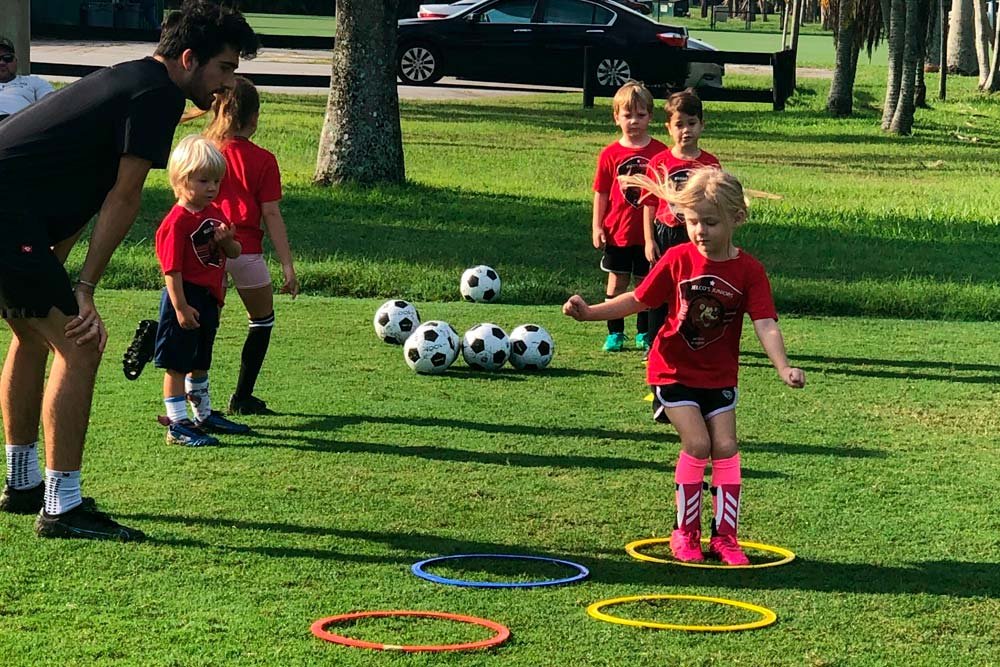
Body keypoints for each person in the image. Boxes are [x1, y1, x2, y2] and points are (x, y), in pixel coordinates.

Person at [0, 0, 258, 541]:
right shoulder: (156, 95)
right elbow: (124, 196)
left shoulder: (133, 80)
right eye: (225, 68)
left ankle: (22, 483)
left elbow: (65, 184)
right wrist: (85, 288)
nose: (227, 85)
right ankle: (62, 506)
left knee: (30, 333)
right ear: (189, 58)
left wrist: (57, 268)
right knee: (79, 343)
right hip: (6, 216)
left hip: (13, 215)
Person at [563, 169, 805, 565]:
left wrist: (783, 368)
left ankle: (725, 538)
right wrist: (590, 313)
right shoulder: (677, 259)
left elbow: (766, 323)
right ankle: (685, 532)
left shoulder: (750, 271)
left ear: (736, 219)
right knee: (698, 444)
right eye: (692, 222)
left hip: (719, 377)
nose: (699, 231)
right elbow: (638, 300)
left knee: (725, 447)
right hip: (671, 371)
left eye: (710, 222)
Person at [203, 76, 298, 415]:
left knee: (201, 324)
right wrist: (287, 265)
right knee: (261, 320)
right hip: (246, 251)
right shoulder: (263, 160)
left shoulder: (204, 150)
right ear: (254, 118)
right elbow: (271, 213)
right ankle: (242, 396)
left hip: (205, 248)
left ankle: (194, 399)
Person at [154, 135, 247, 446]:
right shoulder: (176, 222)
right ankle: (177, 424)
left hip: (208, 298)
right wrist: (180, 307)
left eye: (216, 181)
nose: (212, 188)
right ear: (182, 180)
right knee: (177, 362)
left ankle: (203, 414)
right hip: (185, 295)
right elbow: (172, 269)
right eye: (204, 180)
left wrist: (226, 241)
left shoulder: (215, 213)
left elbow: (233, 252)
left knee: (201, 359)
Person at [591, 81, 666, 352]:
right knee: (617, 281)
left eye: (641, 115)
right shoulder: (610, 154)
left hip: (648, 234)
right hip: (617, 231)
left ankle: (644, 332)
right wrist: (597, 226)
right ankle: (615, 332)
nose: (634, 121)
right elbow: (600, 192)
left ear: (651, 117)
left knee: (645, 284)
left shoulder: (660, 152)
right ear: (616, 117)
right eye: (627, 115)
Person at [642, 89, 721, 348]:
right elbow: (650, 203)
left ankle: (695, 339)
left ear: (702, 125)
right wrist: (648, 240)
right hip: (666, 231)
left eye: (691, 123)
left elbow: (717, 206)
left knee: (696, 288)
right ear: (668, 128)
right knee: (659, 288)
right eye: (679, 124)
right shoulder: (660, 162)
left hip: (697, 235)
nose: (686, 130)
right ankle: (655, 342)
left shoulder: (710, 164)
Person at [0, 37, 54, 122]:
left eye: (7, 58)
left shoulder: (34, 81)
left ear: (16, 61)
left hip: (20, 126)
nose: (2, 63)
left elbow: (52, 103)